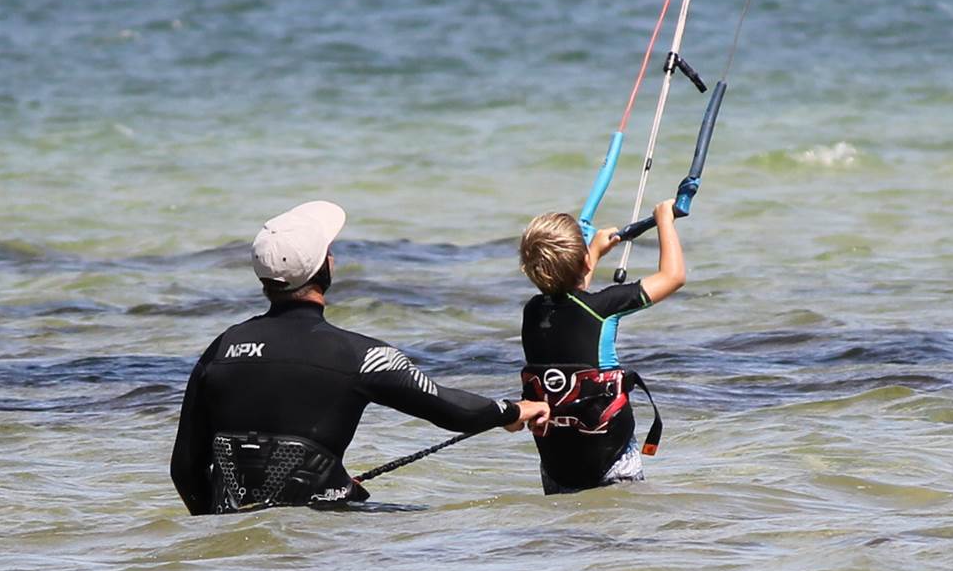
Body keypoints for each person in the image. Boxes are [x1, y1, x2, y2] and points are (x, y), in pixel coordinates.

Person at [170, 200, 547, 514]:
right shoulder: (361, 356)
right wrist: (512, 411)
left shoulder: (221, 349)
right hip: (326, 542)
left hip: (236, 548)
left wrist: (218, 531)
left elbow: (185, 470)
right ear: (324, 268)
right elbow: (451, 409)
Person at [515, 197, 686, 496]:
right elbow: (673, 277)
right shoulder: (603, 308)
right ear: (584, 264)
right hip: (611, 456)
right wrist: (664, 220)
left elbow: (570, 299)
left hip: (557, 464)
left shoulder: (533, 312)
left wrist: (592, 252)